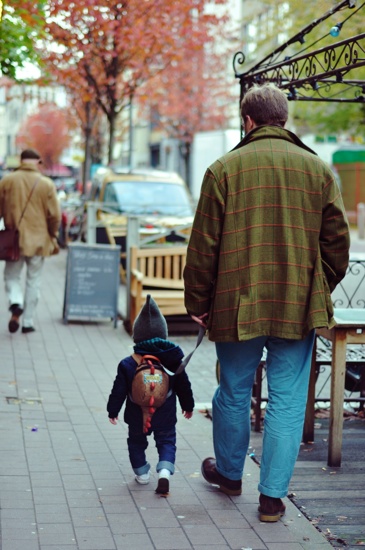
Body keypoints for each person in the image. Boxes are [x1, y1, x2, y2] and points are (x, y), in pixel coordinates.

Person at [183, 83, 350, 522]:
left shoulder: (223, 169)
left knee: (233, 392)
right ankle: (273, 498)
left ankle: (231, 474)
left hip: (237, 303)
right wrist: (317, 286)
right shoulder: (317, 170)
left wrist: (198, 301)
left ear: (248, 120)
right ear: (284, 121)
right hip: (297, 306)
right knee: (289, 401)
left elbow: (203, 247)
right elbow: (337, 245)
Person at [107, 294, 194, 495]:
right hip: (165, 414)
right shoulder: (173, 361)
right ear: (164, 335)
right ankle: (164, 472)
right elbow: (184, 385)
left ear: (136, 336)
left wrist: (112, 410)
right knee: (167, 441)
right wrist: (188, 406)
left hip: (136, 415)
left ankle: (142, 474)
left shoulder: (128, 363)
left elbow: (118, 390)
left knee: (136, 442)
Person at [0, 149, 61, 334]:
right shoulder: (46, 184)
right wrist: (52, 234)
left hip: (14, 241)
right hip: (39, 241)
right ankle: (27, 322)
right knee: (34, 280)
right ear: (37, 163)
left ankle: (16, 301)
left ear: (21, 161)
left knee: (11, 276)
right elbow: (55, 216)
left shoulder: (7, 181)